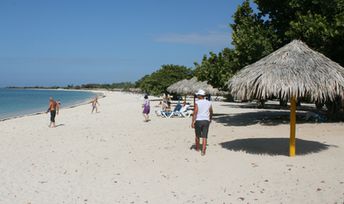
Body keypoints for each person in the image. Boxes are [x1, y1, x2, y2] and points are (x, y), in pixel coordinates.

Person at [191, 89, 213, 156]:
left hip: (198, 121)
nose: (197, 96)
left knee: (197, 136)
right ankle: (203, 151)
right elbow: (211, 112)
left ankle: (197, 148)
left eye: (198, 95)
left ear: (200, 96)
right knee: (204, 136)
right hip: (206, 121)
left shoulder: (197, 103)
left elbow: (195, 113)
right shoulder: (209, 102)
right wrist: (210, 119)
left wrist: (192, 122)